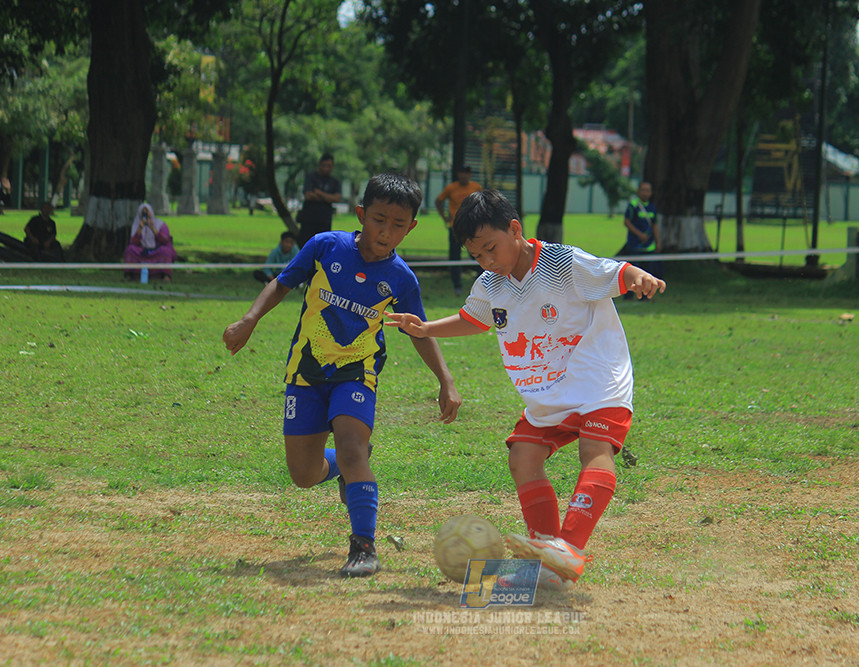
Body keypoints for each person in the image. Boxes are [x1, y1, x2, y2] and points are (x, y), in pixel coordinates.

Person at [387, 190, 665, 590]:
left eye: (490, 249)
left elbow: (613, 272)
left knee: (595, 450)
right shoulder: (491, 284)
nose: (486, 261)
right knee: (523, 456)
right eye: (477, 256)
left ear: (515, 230)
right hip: (548, 392)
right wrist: (427, 328)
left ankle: (567, 550)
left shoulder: (561, 262)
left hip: (598, 378)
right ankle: (546, 561)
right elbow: (475, 319)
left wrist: (637, 277)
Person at [223, 173, 461, 578]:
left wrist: (446, 380)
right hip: (307, 370)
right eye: (379, 220)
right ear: (361, 214)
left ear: (412, 228)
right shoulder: (325, 247)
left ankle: (363, 546)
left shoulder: (401, 277)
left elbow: (417, 330)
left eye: (398, 225)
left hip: (357, 371)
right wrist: (249, 320)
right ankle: (345, 465)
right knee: (303, 475)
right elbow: (281, 284)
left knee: (352, 445)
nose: (387, 232)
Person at [435, 165, 482, 294]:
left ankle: (482, 282)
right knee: (455, 256)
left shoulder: (476, 187)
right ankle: (457, 285)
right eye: (461, 173)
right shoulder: (451, 188)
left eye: (466, 173)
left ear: (470, 175)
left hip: (472, 227)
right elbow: (438, 201)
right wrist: (445, 218)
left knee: (477, 253)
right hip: (455, 227)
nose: (464, 176)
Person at [618, 181, 661, 288]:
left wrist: (658, 242)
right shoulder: (633, 205)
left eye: (648, 191)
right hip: (635, 245)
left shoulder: (652, 207)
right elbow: (627, 222)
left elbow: (654, 225)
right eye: (643, 190)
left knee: (648, 273)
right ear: (638, 191)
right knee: (632, 272)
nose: (645, 193)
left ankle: (646, 296)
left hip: (649, 246)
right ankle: (629, 295)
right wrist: (639, 234)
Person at [297, 152, 342, 247]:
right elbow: (308, 195)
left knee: (323, 246)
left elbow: (337, 198)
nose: (326, 168)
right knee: (306, 246)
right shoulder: (311, 177)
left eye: (329, 166)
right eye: (324, 165)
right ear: (320, 165)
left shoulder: (335, 182)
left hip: (324, 221)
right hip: (309, 220)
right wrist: (328, 197)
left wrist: (320, 193)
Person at [123, 203, 177, 281]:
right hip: (142, 250)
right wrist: (140, 228)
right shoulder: (136, 225)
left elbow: (165, 240)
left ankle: (166, 276)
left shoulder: (160, 224)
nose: (145, 214)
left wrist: (153, 228)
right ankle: (129, 275)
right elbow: (133, 242)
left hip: (156, 250)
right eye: (143, 212)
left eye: (147, 212)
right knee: (130, 250)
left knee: (165, 251)